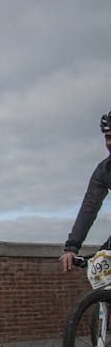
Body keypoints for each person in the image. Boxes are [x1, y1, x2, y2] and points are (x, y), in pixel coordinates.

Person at [60, 110, 111, 271]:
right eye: (108, 137)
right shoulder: (104, 170)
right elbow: (90, 206)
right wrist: (72, 247)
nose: (110, 142)